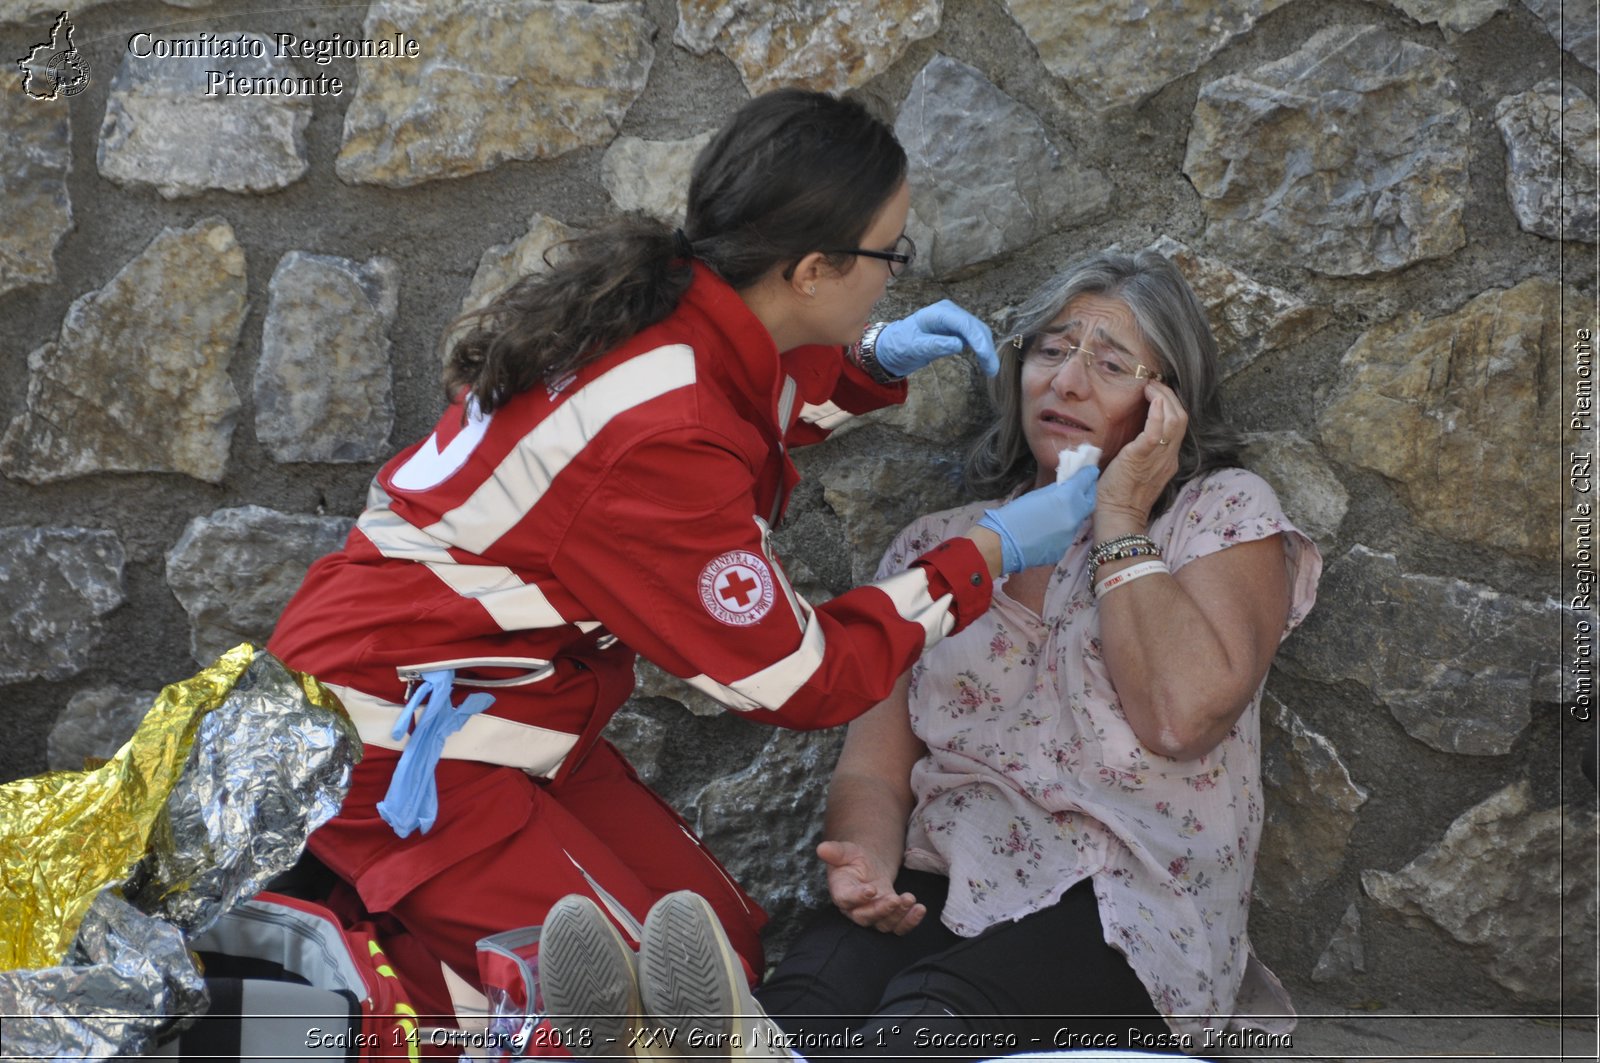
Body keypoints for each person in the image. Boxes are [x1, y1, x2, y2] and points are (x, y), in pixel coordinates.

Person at [265, 88, 1100, 1024]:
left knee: (716, 944)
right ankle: (346, 1002)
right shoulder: (663, 435)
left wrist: (870, 363)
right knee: (634, 1010)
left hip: (496, 704)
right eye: (890, 254)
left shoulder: (670, 313)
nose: (896, 275)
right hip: (403, 742)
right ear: (814, 269)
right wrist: (986, 553)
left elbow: (745, 399)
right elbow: (801, 676)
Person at [537, 249, 1322, 1061]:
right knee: (805, 1003)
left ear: (1169, 406)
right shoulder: (944, 546)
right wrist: (868, 861)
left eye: (1112, 363)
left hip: (1128, 901)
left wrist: (1120, 511)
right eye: (1051, 350)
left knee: (926, 1019)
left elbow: (1180, 714)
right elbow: (874, 770)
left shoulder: (1217, 514)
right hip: (944, 878)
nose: (1066, 382)